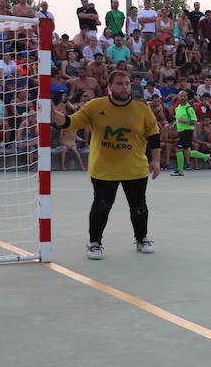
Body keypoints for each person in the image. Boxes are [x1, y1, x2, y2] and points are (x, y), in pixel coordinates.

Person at [51, 71, 162, 259]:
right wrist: (53, 113)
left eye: (127, 83)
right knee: (101, 206)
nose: (125, 87)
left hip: (134, 168)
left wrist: (156, 160)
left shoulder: (142, 109)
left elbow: (154, 135)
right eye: (119, 83)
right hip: (103, 168)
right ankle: (95, 243)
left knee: (139, 206)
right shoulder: (95, 106)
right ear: (109, 86)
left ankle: (142, 239)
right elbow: (70, 123)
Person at [170, 91, 211, 175]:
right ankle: (206, 156)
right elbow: (178, 119)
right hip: (181, 131)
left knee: (178, 149)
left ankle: (180, 171)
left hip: (187, 131)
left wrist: (184, 121)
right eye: (181, 96)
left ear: (187, 97)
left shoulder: (189, 108)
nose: (182, 98)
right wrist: (175, 124)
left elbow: (194, 121)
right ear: (178, 97)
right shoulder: (177, 108)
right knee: (187, 152)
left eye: (184, 96)